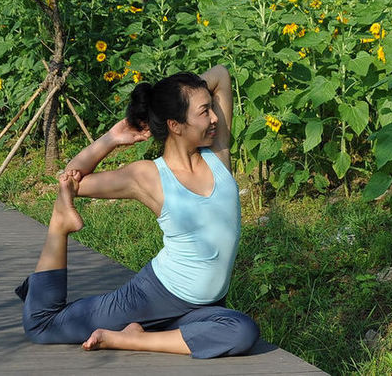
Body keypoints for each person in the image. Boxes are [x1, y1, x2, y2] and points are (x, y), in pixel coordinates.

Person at [15, 65, 259, 358]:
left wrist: (165, 99)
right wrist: (112, 138)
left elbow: (220, 74)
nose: (215, 117)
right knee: (42, 325)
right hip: (151, 298)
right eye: (204, 111)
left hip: (205, 307)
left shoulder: (218, 154)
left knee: (242, 330)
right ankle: (59, 224)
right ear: (175, 125)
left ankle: (130, 338)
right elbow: (71, 180)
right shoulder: (148, 176)